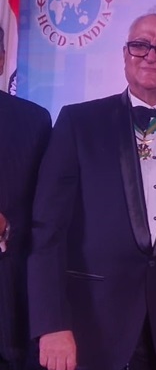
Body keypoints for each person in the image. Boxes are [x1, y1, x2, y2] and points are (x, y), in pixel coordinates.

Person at [27, 10, 156, 370]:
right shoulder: (78, 123)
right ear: (125, 54)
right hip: (88, 326)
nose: (151, 55)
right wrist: (51, 323)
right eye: (141, 45)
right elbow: (47, 230)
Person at [0, 25, 51, 370]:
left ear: (2, 59)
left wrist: (8, 227)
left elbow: (47, 208)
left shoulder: (33, 121)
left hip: (9, 314)